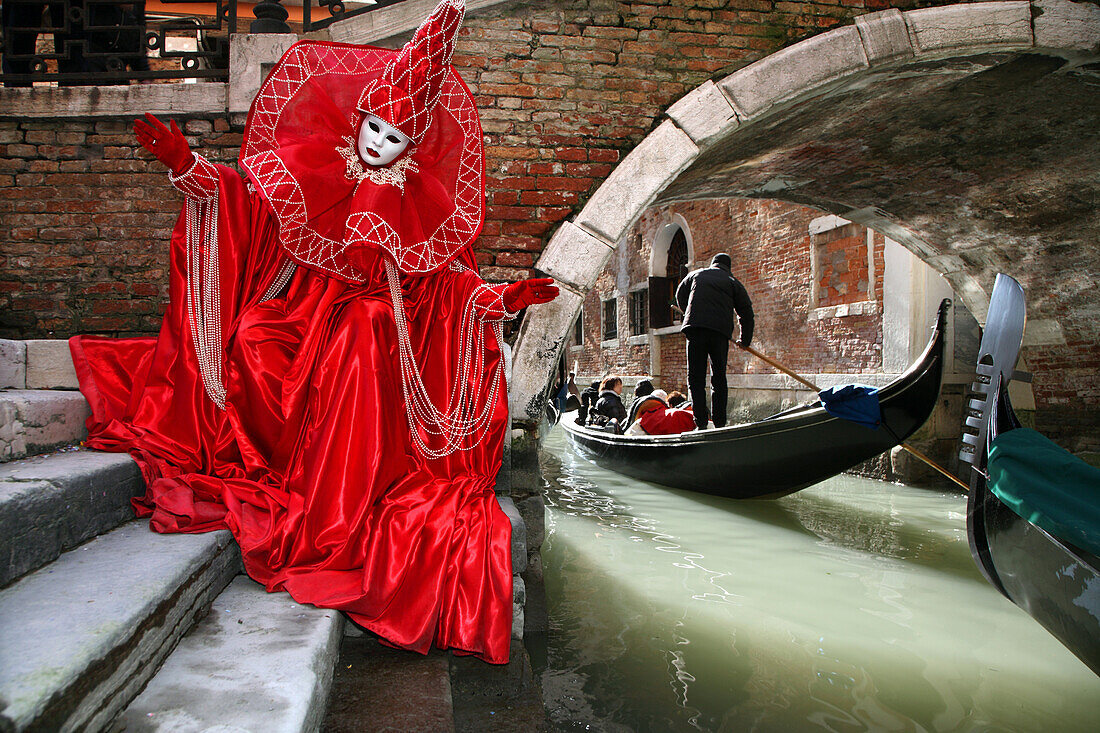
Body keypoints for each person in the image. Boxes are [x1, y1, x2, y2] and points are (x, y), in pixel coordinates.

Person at [68, 0, 556, 665]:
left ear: (414, 148)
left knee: (363, 329)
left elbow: (452, 288)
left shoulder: (425, 208)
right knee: (253, 339)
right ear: (362, 119)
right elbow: (247, 201)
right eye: (375, 129)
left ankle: (339, 512)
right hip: (302, 317)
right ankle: (293, 474)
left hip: (378, 347)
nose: (379, 146)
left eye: (395, 140)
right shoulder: (317, 166)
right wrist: (187, 165)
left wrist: (504, 299)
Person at [675, 253, 754, 430]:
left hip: (694, 328)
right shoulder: (732, 282)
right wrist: (745, 340)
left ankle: (701, 423)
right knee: (718, 378)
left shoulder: (696, 274)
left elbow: (680, 293)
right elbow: (746, 314)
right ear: (728, 267)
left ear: (713, 264)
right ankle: (719, 423)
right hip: (719, 333)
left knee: (695, 378)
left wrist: (688, 312)